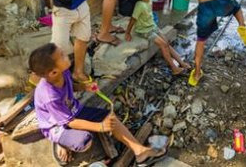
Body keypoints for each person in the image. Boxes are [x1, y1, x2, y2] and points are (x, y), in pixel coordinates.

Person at [29, 43, 167, 166]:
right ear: (53, 72)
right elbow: (69, 122)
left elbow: (70, 87)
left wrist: (84, 87)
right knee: (84, 141)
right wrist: (99, 127)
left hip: (72, 111)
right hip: (57, 125)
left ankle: (140, 151)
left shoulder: (63, 72)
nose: (66, 54)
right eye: (62, 55)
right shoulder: (49, 96)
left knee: (109, 118)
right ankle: (60, 142)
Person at [125, 0, 191, 75]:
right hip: (144, 31)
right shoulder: (140, 5)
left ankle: (181, 63)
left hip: (152, 26)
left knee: (167, 43)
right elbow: (133, 20)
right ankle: (174, 68)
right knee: (163, 45)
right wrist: (127, 32)